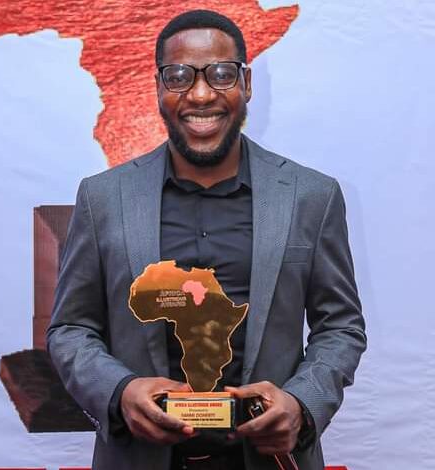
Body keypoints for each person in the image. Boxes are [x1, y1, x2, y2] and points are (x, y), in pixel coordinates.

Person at [47, 9, 367, 470]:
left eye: (221, 74)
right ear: (159, 88)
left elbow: (340, 326)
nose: (200, 94)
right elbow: (70, 329)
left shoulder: (311, 196)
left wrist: (300, 404)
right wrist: (120, 392)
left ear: (246, 84)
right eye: (179, 76)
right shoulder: (103, 198)